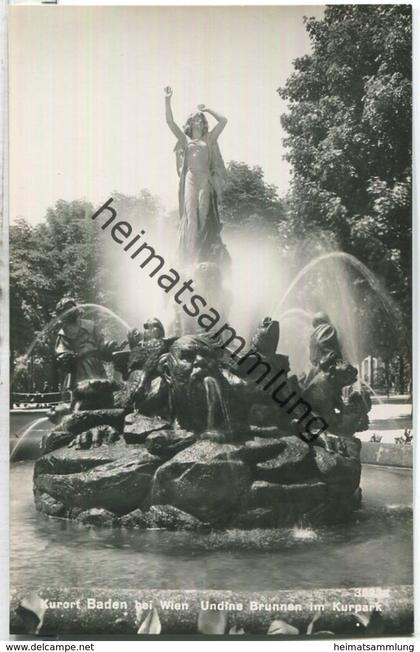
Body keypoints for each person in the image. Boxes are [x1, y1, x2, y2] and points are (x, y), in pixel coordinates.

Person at [164, 86, 229, 268]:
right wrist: (167, 100)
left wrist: (207, 109)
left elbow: (223, 121)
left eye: (201, 120)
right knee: (191, 216)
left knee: (202, 213)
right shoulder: (185, 140)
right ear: (190, 123)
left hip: (205, 179)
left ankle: (201, 252)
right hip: (190, 179)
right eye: (196, 120)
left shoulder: (209, 139)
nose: (199, 122)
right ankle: (190, 257)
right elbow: (170, 122)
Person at [54, 297, 117, 393]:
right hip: (77, 370)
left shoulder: (91, 325)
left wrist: (108, 347)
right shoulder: (63, 333)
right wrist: (65, 357)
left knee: (102, 392)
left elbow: (101, 345)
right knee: (81, 397)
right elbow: (61, 351)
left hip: (96, 366)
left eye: (71, 307)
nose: (70, 311)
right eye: (66, 310)